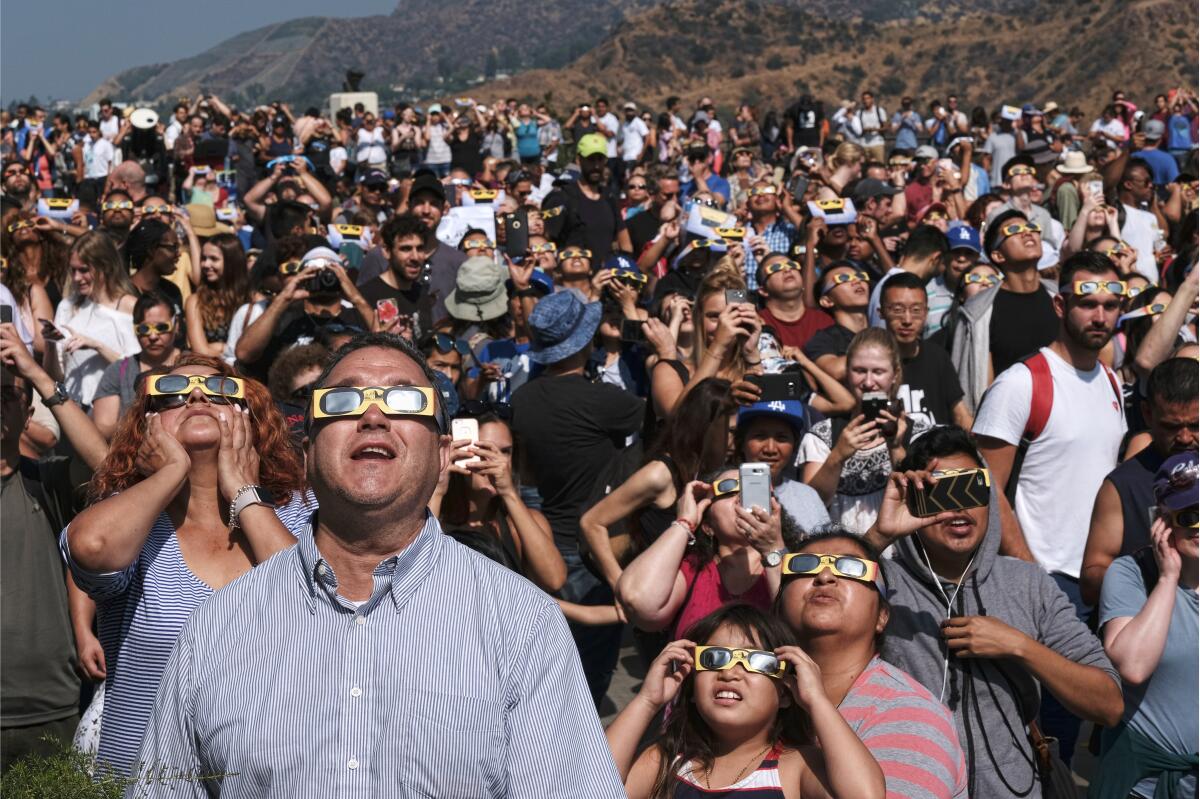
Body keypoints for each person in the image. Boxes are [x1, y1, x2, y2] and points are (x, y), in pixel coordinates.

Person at [134, 332, 624, 796]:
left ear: (442, 453)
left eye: (405, 399)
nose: (373, 416)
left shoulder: (521, 622)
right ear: (306, 454)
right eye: (343, 401)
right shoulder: (217, 628)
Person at [62, 354, 312, 776]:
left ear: (248, 418)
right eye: (171, 395)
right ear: (148, 425)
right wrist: (171, 472)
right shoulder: (134, 525)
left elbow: (319, 604)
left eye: (220, 391)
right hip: (142, 781)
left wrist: (246, 495)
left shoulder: (301, 513)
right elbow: (90, 546)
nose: (197, 395)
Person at [864, 425, 1124, 797]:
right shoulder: (880, 584)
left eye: (971, 488)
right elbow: (810, 598)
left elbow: (1109, 704)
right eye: (941, 490)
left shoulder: (1027, 583)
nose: (959, 506)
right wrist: (879, 535)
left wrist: (1020, 646)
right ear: (915, 500)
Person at [511, 290, 643, 705]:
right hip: (596, 547)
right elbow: (664, 417)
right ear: (584, 342)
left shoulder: (522, 399)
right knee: (592, 669)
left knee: (556, 664)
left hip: (547, 541)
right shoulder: (603, 401)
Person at [606, 604, 885, 799]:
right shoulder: (665, 761)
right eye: (714, 658)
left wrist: (817, 701)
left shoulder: (795, 766)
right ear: (690, 688)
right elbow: (591, 785)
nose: (729, 673)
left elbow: (866, 795)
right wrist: (647, 701)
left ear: (786, 694)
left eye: (756, 661)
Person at [776, 528, 969, 799]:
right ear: (778, 604)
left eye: (851, 568)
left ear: (882, 616)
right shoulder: (755, 694)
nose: (825, 576)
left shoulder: (909, 713)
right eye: (804, 566)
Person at [974, 251, 1126, 582]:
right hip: (1044, 577)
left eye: (1110, 305)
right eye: (1087, 304)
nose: (1100, 317)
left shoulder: (1111, 380)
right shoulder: (1020, 382)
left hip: (1100, 576)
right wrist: (1029, 569)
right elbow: (985, 489)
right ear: (1060, 306)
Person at [1094, 451, 1198, 799]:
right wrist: (1168, 578)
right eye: (1190, 514)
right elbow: (1133, 667)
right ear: (1163, 520)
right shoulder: (1131, 574)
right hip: (1143, 787)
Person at [580, 378, 736, 592]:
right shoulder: (660, 474)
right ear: (706, 428)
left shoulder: (716, 471)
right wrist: (620, 586)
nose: (733, 442)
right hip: (656, 603)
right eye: (729, 431)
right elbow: (591, 522)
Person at [617, 467, 793, 638]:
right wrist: (684, 522)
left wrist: (772, 549)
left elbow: (796, 627)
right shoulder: (692, 569)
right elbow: (637, 600)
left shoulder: (800, 561)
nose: (742, 498)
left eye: (754, 489)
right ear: (708, 526)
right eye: (729, 491)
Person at [1081, 358, 1198, 605]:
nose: (1185, 437)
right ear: (1147, 414)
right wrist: (1157, 576)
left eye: (1196, 425)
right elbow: (1092, 579)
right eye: (1171, 426)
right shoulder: (1122, 486)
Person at [800, 328, 908, 534]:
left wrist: (896, 447)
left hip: (898, 555)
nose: (868, 382)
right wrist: (838, 456)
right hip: (840, 557)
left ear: (895, 374)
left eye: (878, 371)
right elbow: (809, 507)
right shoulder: (823, 434)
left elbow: (918, 500)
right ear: (847, 372)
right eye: (859, 371)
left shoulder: (916, 432)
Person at [951, 209, 1058, 413]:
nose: (1027, 233)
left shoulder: (1060, 299)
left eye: (1031, 227)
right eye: (1014, 230)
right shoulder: (977, 314)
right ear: (998, 255)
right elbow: (971, 389)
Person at [47, 230, 140, 408]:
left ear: (105, 266)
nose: (76, 278)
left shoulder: (129, 307)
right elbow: (55, 376)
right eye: (73, 270)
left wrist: (96, 346)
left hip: (114, 410)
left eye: (84, 270)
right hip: (73, 408)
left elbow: (136, 371)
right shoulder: (67, 306)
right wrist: (51, 343)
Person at [880, 272, 973, 435]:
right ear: (881, 312)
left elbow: (961, 415)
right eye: (897, 310)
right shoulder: (872, 362)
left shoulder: (937, 356)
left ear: (926, 312)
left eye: (916, 310)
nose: (907, 319)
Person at [91, 290, 182, 440]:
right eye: (144, 329)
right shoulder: (117, 371)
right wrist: (141, 415)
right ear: (134, 329)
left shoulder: (194, 366)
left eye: (161, 328)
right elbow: (102, 431)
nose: (153, 336)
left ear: (176, 325)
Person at [736, 400, 831, 531]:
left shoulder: (808, 496)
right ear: (741, 442)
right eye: (760, 436)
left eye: (781, 438)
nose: (770, 449)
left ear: (795, 445)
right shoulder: (722, 493)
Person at [801, 262, 871, 383]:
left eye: (860, 276)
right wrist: (885, 349)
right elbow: (835, 371)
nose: (856, 281)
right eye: (843, 278)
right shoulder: (822, 341)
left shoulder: (882, 331)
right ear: (827, 301)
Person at [184, 233, 249, 359]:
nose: (206, 265)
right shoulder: (195, 301)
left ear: (232, 261)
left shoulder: (249, 298)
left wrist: (220, 347)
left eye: (214, 259)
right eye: (203, 258)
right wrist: (230, 350)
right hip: (211, 373)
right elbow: (200, 351)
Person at [756, 252, 832, 350]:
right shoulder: (757, 323)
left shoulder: (824, 320)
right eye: (775, 268)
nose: (787, 270)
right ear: (763, 291)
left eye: (792, 265)